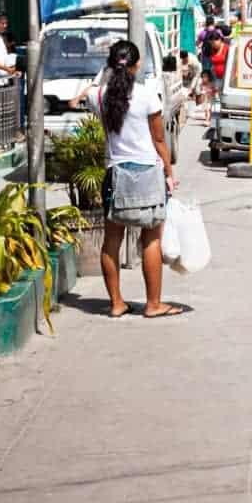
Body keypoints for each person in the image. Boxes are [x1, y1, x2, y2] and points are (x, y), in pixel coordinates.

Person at [76, 41, 180, 318]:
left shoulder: (99, 96)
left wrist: (103, 74)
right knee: (151, 239)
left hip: (116, 174)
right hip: (147, 172)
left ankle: (116, 303)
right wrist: (170, 173)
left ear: (111, 65)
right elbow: (159, 139)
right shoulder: (147, 95)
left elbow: (79, 96)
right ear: (137, 65)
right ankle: (153, 304)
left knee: (112, 240)